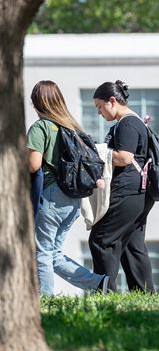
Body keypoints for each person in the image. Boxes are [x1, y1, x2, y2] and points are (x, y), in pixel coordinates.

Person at [27, 80, 109, 295]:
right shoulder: (71, 126)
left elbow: (33, 164)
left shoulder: (41, 127)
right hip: (73, 199)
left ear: (36, 103)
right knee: (54, 254)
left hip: (51, 196)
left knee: (42, 253)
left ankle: (45, 300)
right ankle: (99, 283)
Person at [90, 80, 155, 292]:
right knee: (132, 246)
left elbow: (125, 158)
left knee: (102, 239)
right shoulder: (134, 122)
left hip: (127, 191)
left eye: (100, 106)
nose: (99, 113)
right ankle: (145, 294)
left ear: (112, 101)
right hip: (139, 193)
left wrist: (97, 151)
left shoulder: (127, 123)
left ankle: (105, 292)